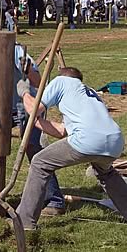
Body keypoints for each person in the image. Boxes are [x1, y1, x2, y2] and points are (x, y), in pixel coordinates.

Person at [0, 14, 65, 215]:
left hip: (25, 107)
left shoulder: (15, 49)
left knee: (33, 148)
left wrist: (28, 72)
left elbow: (37, 82)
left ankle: (55, 201)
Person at [16, 67, 127, 230]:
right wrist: (36, 122)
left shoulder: (61, 81)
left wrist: (24, 92)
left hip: (88, 139)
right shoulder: (90, 94)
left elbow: (34, 109)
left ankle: (24, 222)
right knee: (107, 173)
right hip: (115, 141)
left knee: (40, 162)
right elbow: (62, 131)